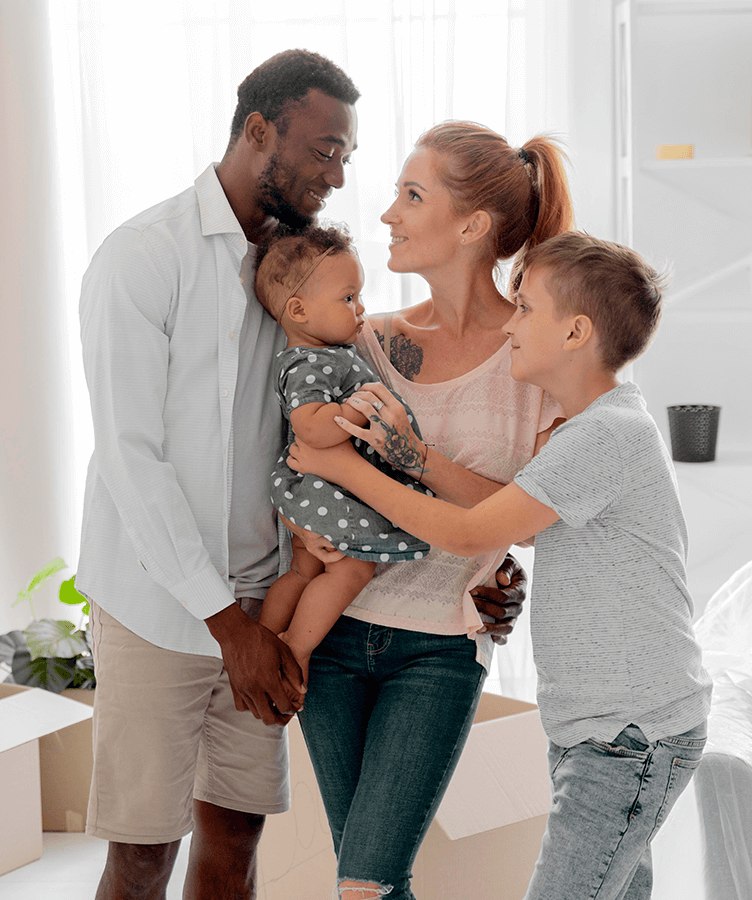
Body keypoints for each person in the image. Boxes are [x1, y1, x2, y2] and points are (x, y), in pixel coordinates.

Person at [75, 55, 525, 900]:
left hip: (264, 602)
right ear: (258, 132)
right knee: (141, 857)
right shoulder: (143, 258)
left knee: (236, 846)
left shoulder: (304, 279)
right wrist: (227, 627)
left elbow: (425, 442)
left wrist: (492, 560)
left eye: (348, 156)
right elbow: (131, 460)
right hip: (161, 606)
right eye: (326, 150)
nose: (339, 175)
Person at [289, 231, 712, 900]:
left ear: (575, 332)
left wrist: (339, 465)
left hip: (628, 736)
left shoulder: (606, 436)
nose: (509, 322)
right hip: (606, 731)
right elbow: (502, 510)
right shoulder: (589, 429)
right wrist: (414, 458)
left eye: (525, 308)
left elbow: (466, 533)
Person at [290, 121, 574, 900]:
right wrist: (301, 529)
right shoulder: (365, 340)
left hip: (441, 647)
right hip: (337, 634)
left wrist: (421, 464)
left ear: (472, 226)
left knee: (366, 882)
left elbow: (533, 516)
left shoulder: (536, 357)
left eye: (411, 196)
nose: (387, 214)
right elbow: (305, 461)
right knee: (366, 881)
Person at [254, 223, 440, 687]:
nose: (361, 310)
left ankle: (266, 635)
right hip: (324, 487)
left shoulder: (325, 355)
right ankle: (295, 647)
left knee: (304, 568)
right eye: (348, 298)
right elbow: (311, 427)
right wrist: (359, 410)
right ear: (298, 310)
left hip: (316, 490)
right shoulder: (309, 362)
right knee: (352, 568)